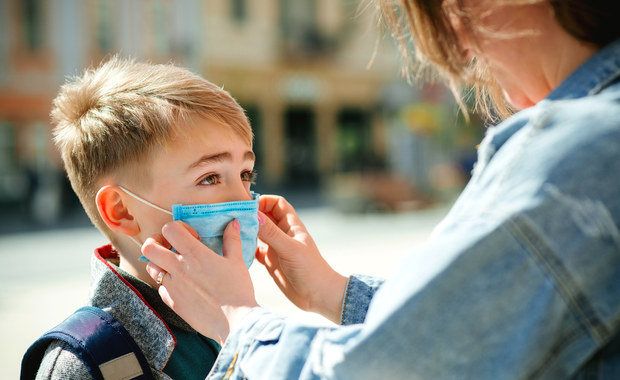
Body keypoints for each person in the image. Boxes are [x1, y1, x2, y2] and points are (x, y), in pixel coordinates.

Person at [142, 0, 620, 378]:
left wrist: (236, 317)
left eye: (447, 11)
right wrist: (333, 292)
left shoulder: (578, 151)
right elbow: (468, 331)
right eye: (209, 177)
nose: (461, 43)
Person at [25, 57, 258, 379]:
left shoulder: (234, 311)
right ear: (121, 210)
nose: (245, 199)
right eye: (210, 177)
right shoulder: (89, 362)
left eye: (246, 173)